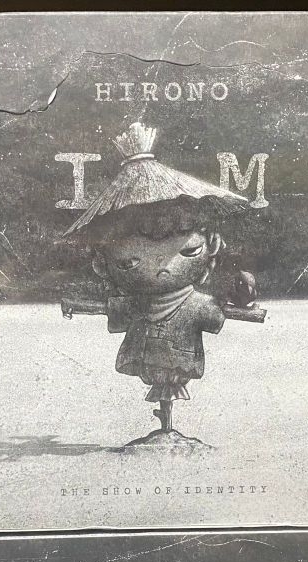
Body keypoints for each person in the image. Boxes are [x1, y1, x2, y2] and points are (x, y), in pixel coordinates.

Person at [61, 122, 265, 443]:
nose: (162, 270)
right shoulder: (146, 303)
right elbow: (112, 308)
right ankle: (165, 426)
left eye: (188, 251)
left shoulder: (197, 304)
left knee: (169, 389)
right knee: (163, 389)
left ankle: (167, 426)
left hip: (176, 357)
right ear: (104, 262)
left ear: (211, 246)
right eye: (131, 261)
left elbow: (216, 314)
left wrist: (241, 298)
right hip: (149, 355)